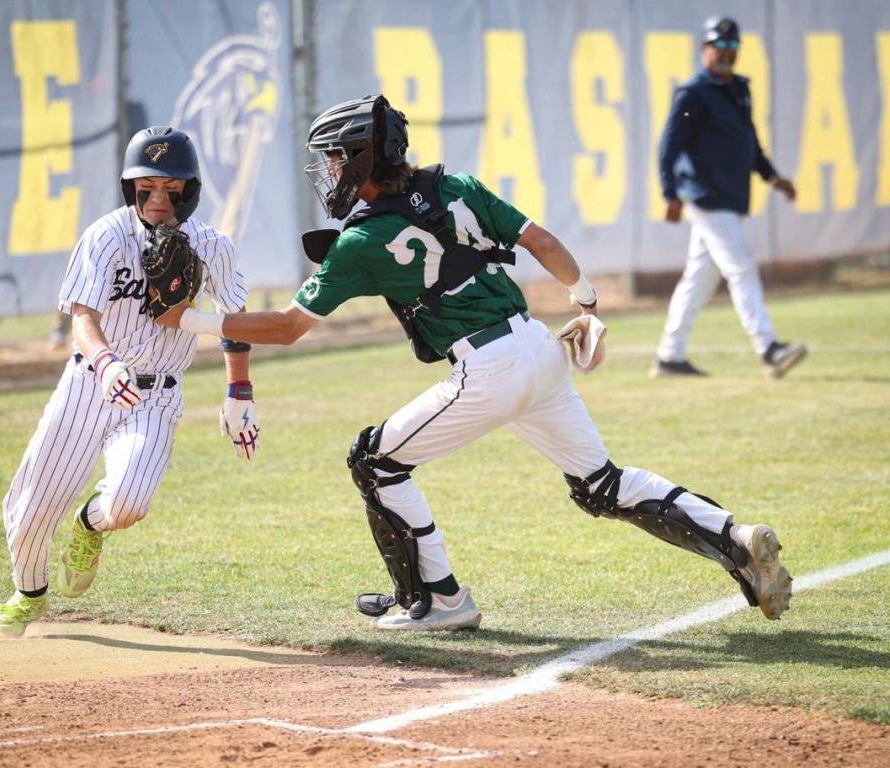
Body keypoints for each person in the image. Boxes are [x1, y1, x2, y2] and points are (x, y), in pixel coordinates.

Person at [157, 94, 792, 631]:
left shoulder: (361, 239)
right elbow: (541, 242)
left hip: (489, 369)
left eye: (332, 158)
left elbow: (288, 327)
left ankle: (439, 601)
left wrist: (187, 318)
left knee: (374, 461)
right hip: (540, 350)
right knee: (602, 483)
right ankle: (733, 537)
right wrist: (587, 299)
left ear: (359, 159)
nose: (327, 171)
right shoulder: (455, 187)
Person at [0, 126, 257, 637]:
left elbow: (235, 317)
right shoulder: (107, 235)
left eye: (170, 187)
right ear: (129, 187)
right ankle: (29, 594)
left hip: (157, 396)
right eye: (145, 186)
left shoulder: (212, 246)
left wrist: (239, 392)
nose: (157, 198)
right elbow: (82, 317)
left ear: (189, 189)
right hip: (91, 384)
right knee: (31, 511)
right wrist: (107, 362)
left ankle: (90, 525)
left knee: (130, 502)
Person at [652, 16, 806, 379]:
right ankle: (769, 348)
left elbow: (749, 142)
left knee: (698, 279)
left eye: (732, 47)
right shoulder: (693, 93)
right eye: (718, 46)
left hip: (730, 196)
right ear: (704, 49)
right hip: (706, 197)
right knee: (742, 268)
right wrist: (669, 193)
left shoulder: (738, 89)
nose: (725, 53)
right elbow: (669, 146)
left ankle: (669, 356)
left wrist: (772, 177)